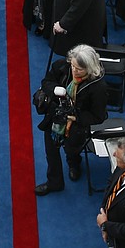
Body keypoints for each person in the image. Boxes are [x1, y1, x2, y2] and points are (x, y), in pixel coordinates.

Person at [33, 44, 107, 195]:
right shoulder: (62, 66)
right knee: (51, 151)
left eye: (79, 69)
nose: (74, 71)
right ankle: (54, 182)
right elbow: (46, 82)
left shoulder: (98, 87)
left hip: (76, 126)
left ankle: (74, 164)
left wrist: (76, 116)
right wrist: (54, 90)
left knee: (72, 149)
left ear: (90, 68)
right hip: (54, 117)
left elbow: (99, 116)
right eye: (72, 65)